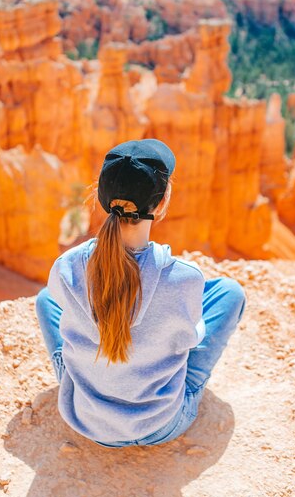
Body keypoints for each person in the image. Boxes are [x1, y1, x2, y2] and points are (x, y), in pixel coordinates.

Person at [35, 138, 246, 448]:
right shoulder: (184, 278)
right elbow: (190, 340)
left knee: (45, 299)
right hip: (161, 424)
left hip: (85, 417)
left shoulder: (66, 267)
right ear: (160, 205)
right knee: (230, 292)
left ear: (103, 200)